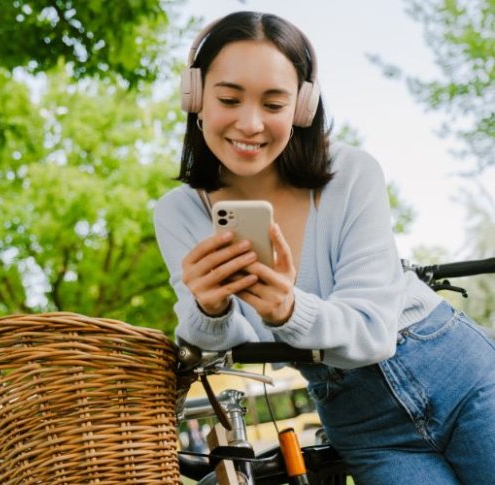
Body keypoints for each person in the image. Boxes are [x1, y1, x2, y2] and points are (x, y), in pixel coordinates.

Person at [153, 10, 495, 484]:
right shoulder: (179, 213)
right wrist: (207, 310)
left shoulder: (352, 173)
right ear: (196, 98)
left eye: (274, 105)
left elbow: (373, 333)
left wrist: (289, 311)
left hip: (456, 371)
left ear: (302, 107)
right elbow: (221, 344)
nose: (250, 124)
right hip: (365, 424)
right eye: (229, 98)